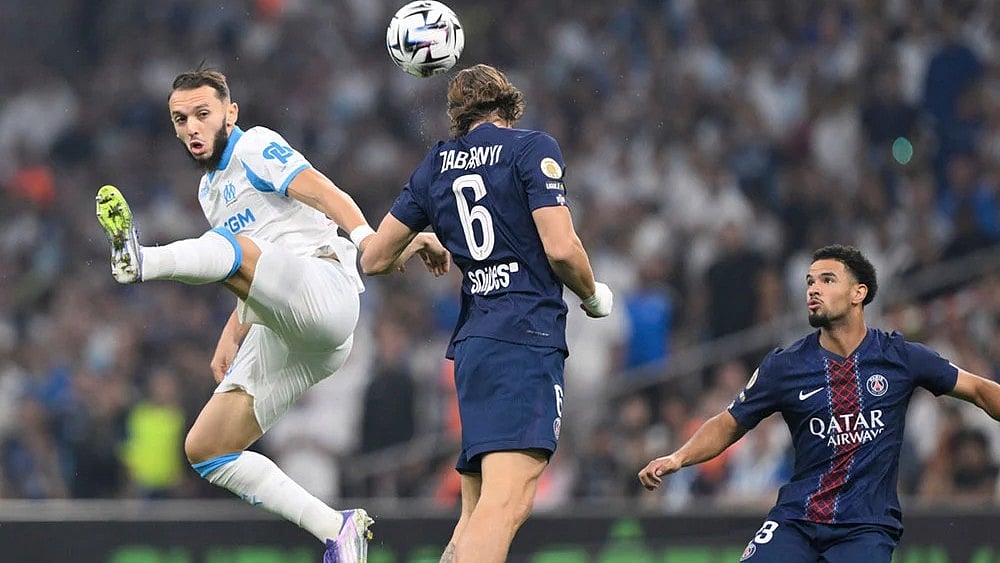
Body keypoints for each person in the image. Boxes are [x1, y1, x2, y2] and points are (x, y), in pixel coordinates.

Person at [95, 68, 447, 562]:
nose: (192, 128)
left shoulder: (255, 146)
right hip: (285, 327)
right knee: (206, 449)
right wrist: (231, 333)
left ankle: (141, 260)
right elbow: (253, 270)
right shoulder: (209, 192)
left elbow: (326, 194)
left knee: (232, 248)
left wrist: (371, 240)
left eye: (202, 114)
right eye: (181, 119)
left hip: (326, 294)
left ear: (230, 113)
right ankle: (337, 529)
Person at [359, 64, 614, 563]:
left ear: (456, 115)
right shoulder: (529, 147)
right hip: (525, 338)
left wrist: (421, 240)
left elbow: (373, 258)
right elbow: (561, 248)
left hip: (474, 347)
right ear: (509, 105)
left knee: (475, 513)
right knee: (507, 502)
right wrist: (590, 295)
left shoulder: (435, 164)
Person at [638, 244, 1000, 562]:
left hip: (865, 528)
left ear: (859, 293)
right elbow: (730, 422)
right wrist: (678, 457)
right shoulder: (785, 365)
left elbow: (981, 391)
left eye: (827, 280)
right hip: (797, 519)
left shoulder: (899, 357)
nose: (813, 289)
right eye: (810, 282)